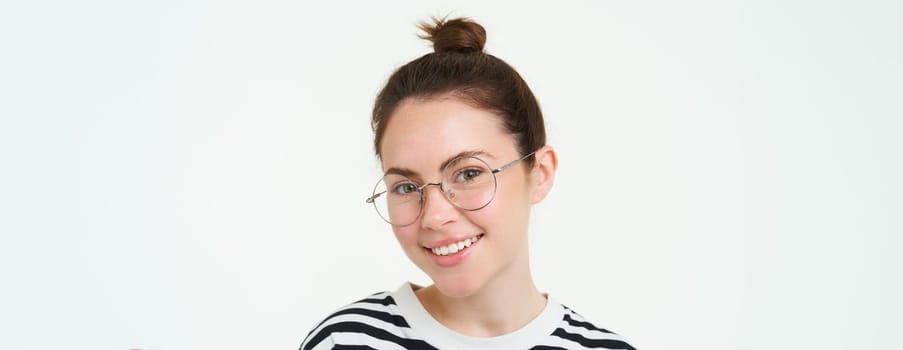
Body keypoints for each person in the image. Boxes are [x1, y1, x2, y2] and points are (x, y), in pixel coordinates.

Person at [300, 17, 637, 350]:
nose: (434, 216)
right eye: (405, 187)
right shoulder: (344, 342)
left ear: (540, 173)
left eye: (468, 174)